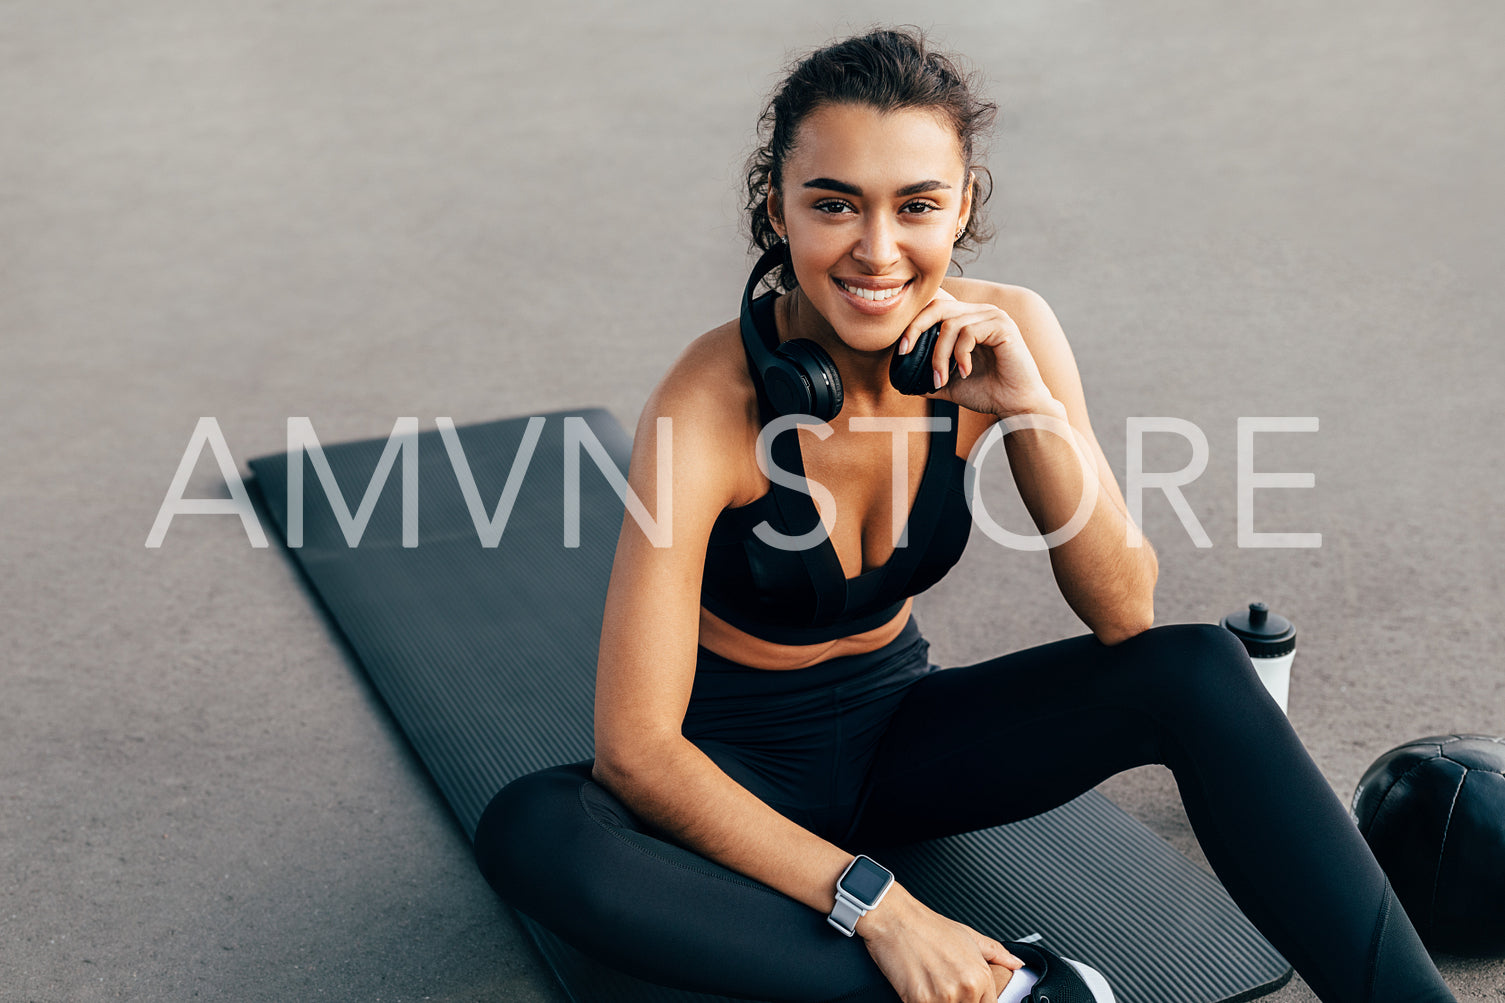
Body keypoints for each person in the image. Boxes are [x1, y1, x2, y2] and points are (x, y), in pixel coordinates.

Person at [473, 27, 1457, 1003]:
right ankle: (1010, 995)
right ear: (775, 207)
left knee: (1196, 667)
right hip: (734, 765)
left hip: (904, 737)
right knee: (537, 829)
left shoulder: (1007, 330)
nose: (876, 249)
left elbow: (1122, 615)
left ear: (962, 207)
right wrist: (884, 907)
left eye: (915, 206)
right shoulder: (705, 402)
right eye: (833, 205)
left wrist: (1029, 414)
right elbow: (638, 752)